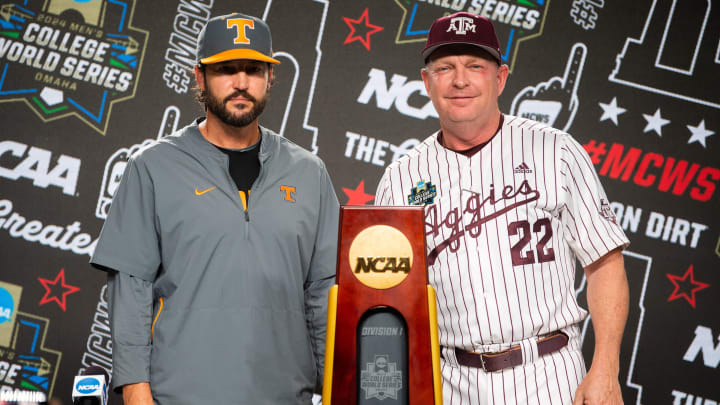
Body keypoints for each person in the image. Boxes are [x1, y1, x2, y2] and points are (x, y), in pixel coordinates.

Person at [374, 12, 630, 405]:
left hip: (549, 373)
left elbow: (604, 265)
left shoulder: (556, 151)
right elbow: (389, 299)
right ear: (427, 82)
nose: (460, 80)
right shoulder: (400, 179)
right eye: (445, 67)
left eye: (475, 66)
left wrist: (606, 368)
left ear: (501, 77)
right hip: (452, 382)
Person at [90, 13, 339, 404]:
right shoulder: (153, 167)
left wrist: (335, 390)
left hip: (285, 395)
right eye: (226, 69)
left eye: (254, 70)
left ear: (270, 78)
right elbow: (130, 290)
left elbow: (325, 294)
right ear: (200, 77)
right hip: (180, 395)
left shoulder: (309, 172)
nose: (241, 83)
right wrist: (137, 393)